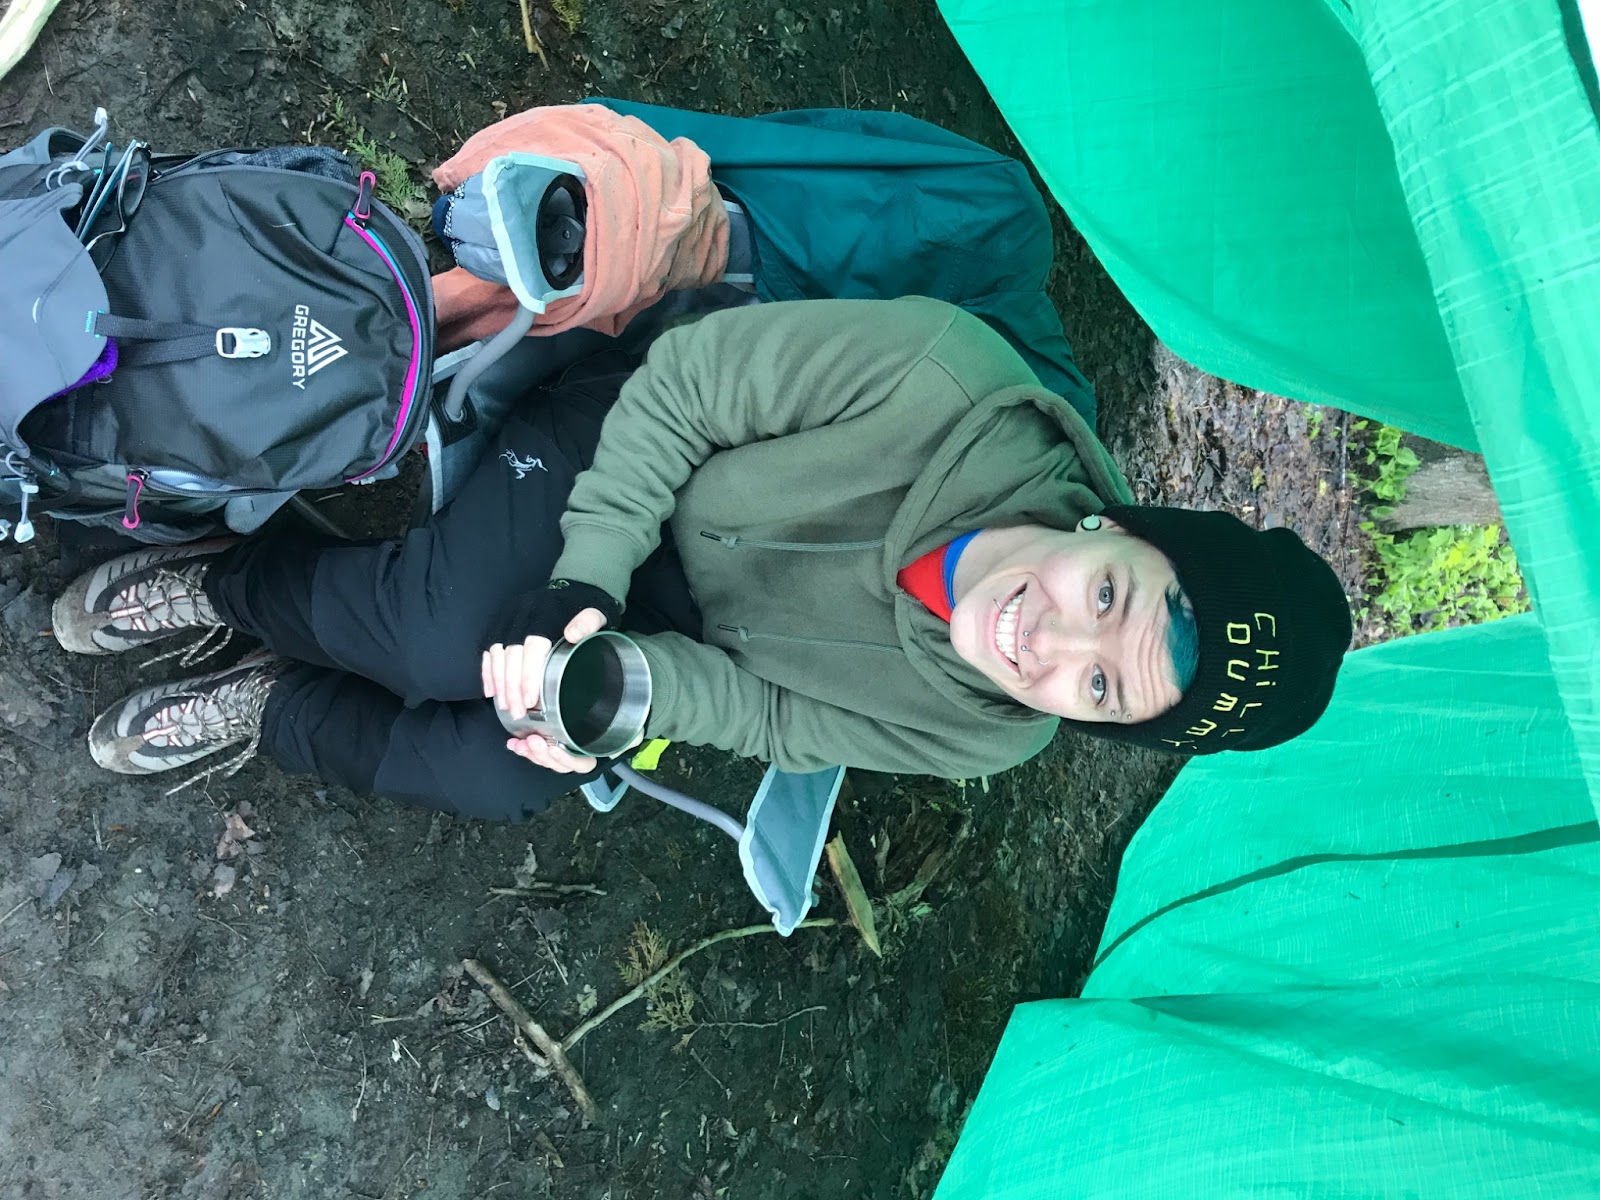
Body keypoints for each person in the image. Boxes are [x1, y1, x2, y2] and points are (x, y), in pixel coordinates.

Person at [52, 298, 1352, 819]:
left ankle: (273, 709)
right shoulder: (945, 380)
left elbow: (783, 716)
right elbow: (683, 388)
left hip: (669, 620)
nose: (1049, 644)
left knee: (502, 771)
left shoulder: (994, 736)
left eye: (1102, 690)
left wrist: (620, 693)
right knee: (437, 636)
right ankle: (227, 587)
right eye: (1109, 599)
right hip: (634, 457)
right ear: (1113, 528)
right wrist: (585, 588)